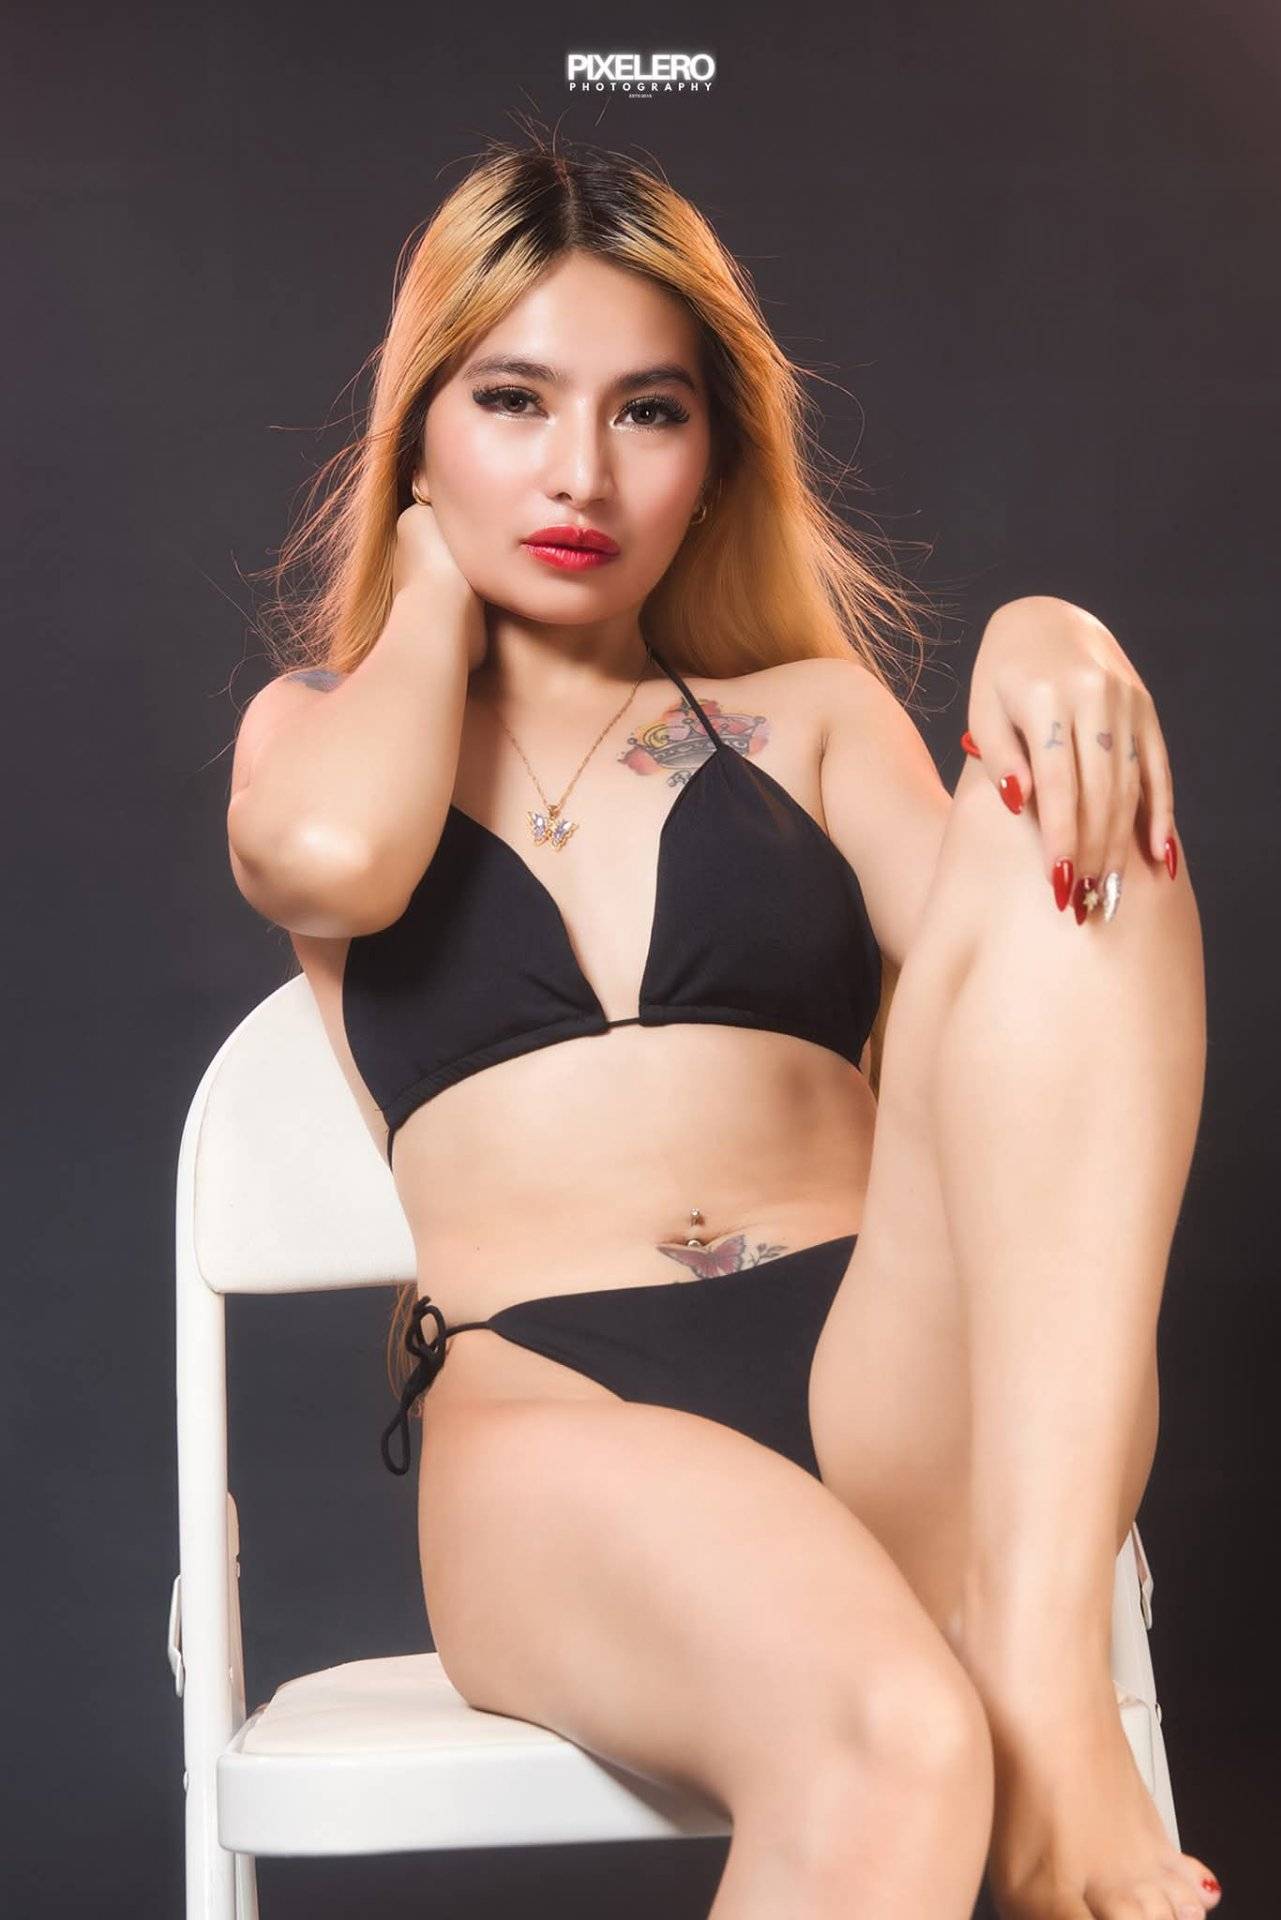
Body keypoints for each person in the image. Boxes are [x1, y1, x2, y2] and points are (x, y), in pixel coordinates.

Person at [226, 139, 1217, 1920]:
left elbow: (1052, 973)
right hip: (559, 1425)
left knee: (1089, 817)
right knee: (894, 1741)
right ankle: (1003, 1691)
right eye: (512, 401)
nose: (581, 472)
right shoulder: (321, 731)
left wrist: (1047, 637)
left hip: (893, 1381)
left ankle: (1042, 1657)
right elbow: (326, 861)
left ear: (713, 457)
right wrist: (431, 589)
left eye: (649, 411)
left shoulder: (813, 719)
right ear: (418, 437)